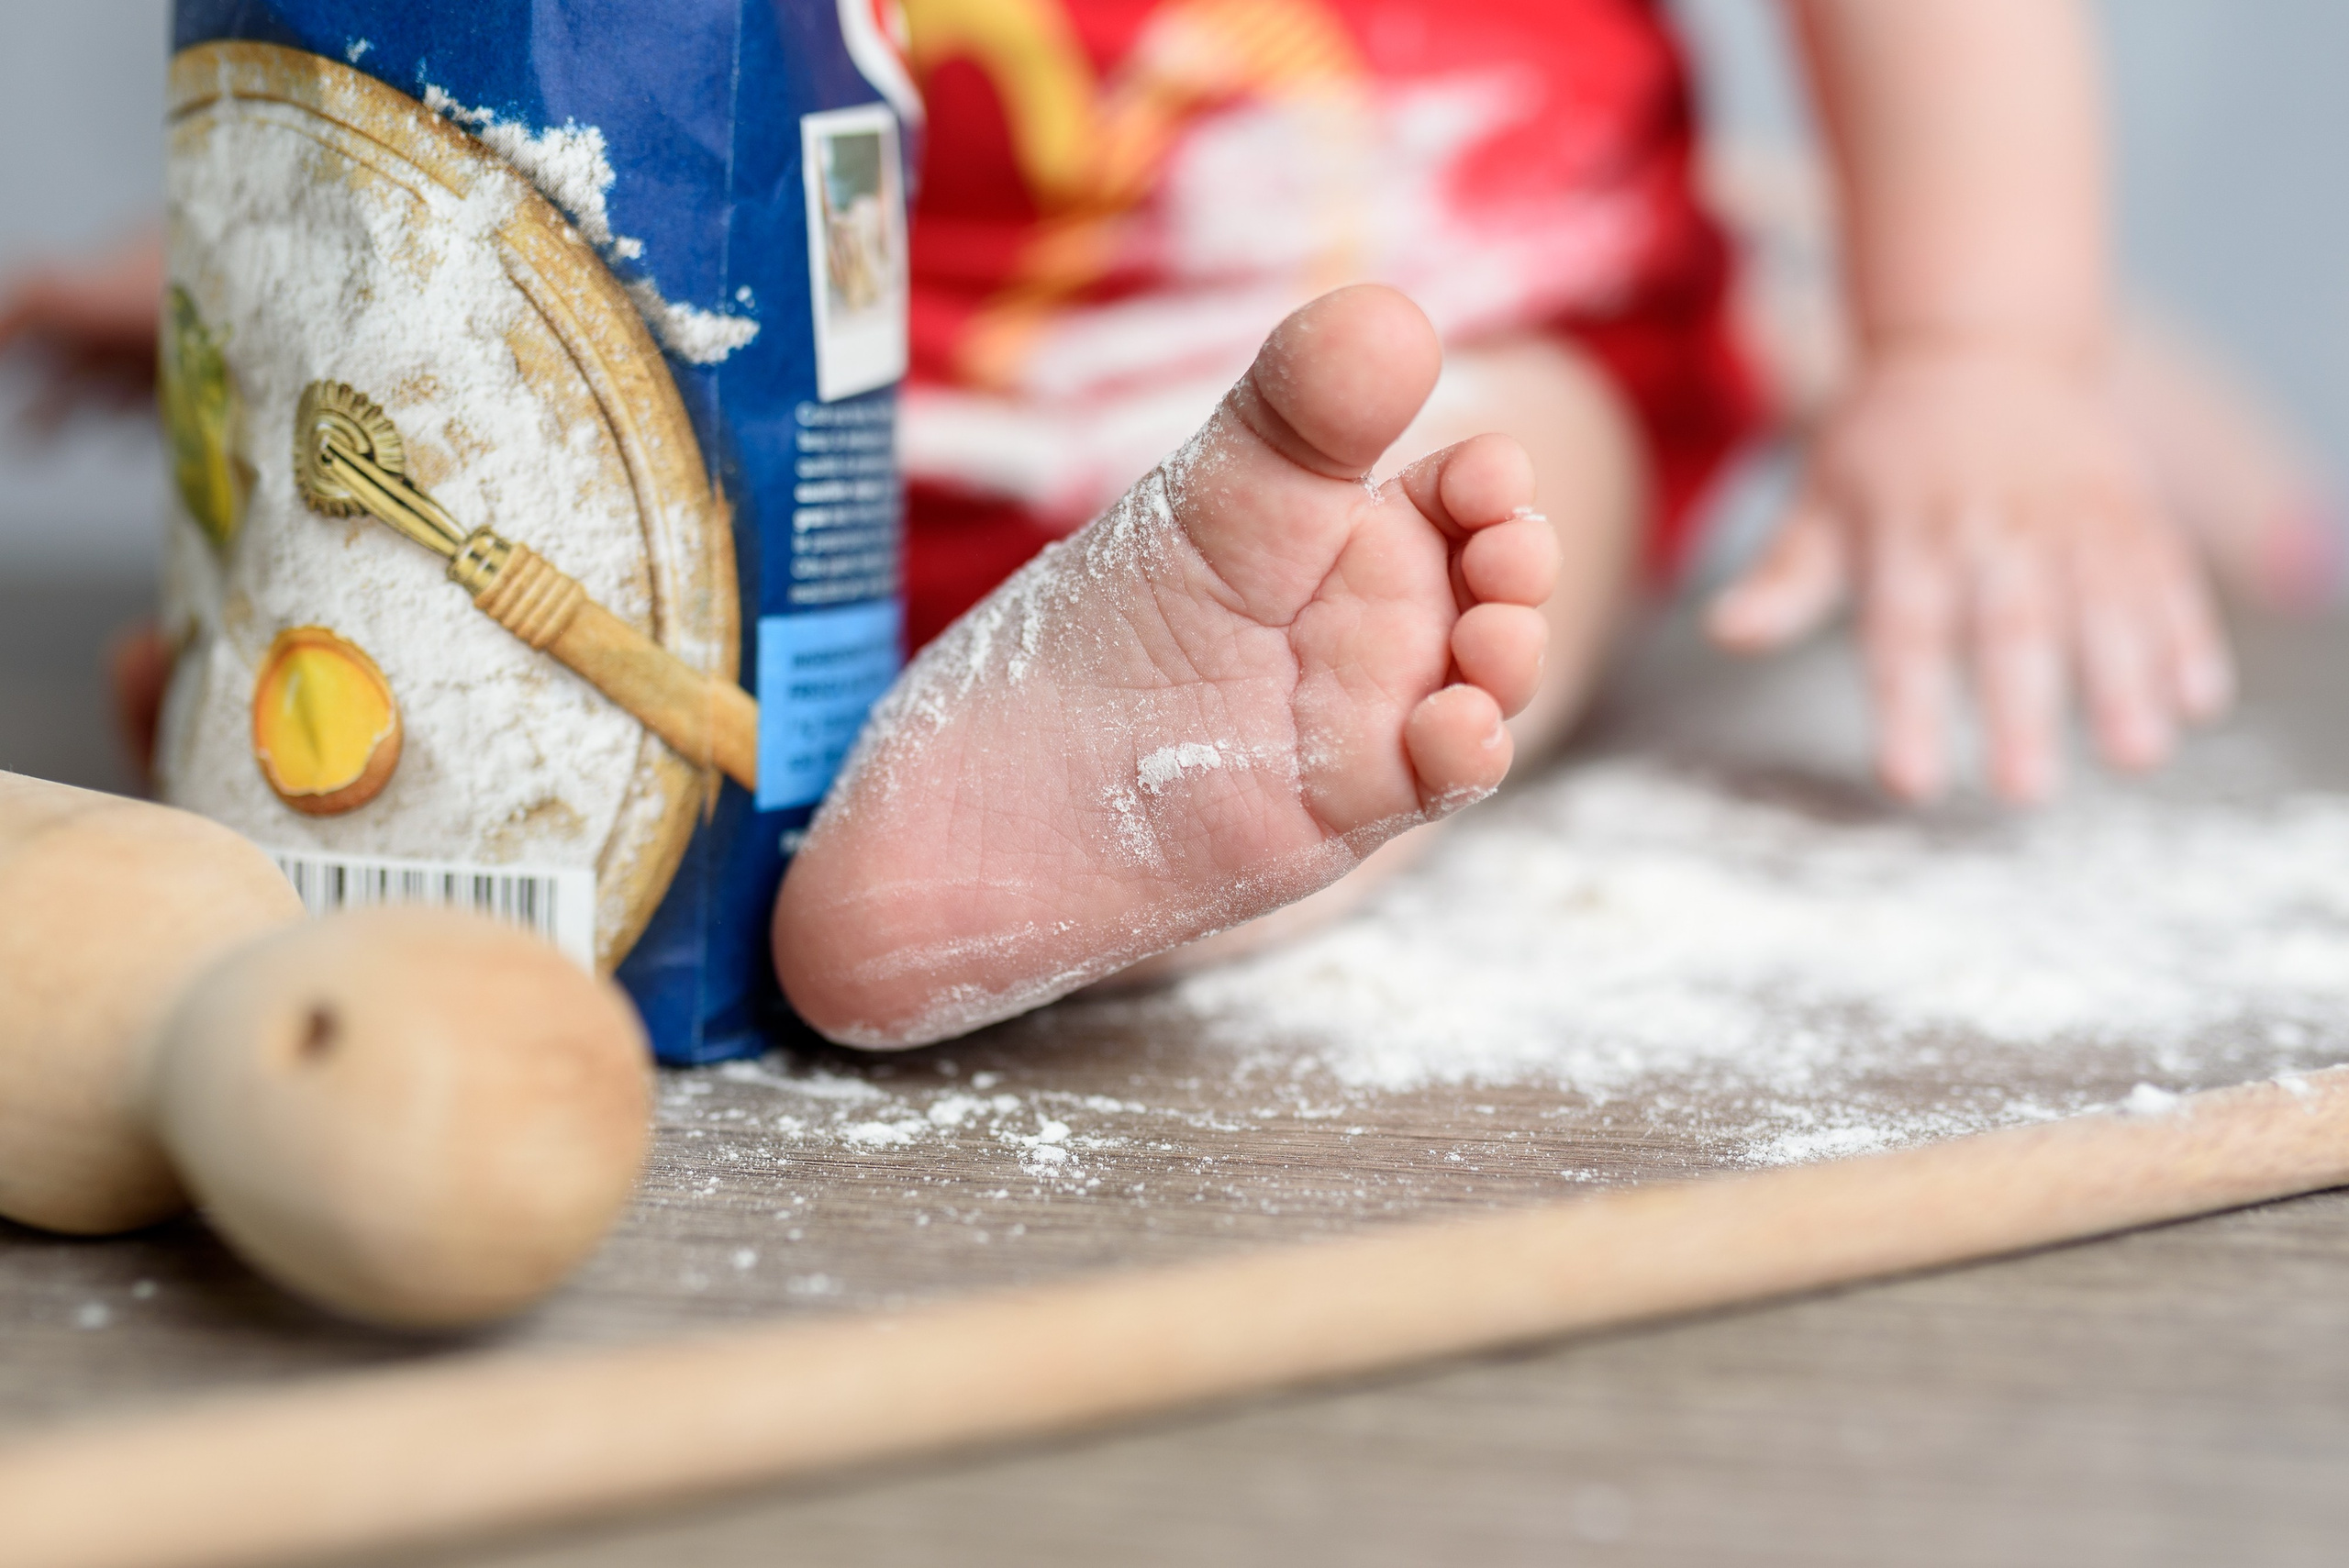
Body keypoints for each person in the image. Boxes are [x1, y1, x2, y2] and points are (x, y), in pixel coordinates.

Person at [0, 0, 2320, 1048]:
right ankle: (994, 752)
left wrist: (1974, 343)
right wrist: (332, 230)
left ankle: (1175, 769)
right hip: (830, 390)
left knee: (1450, 497)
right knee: (548, 500)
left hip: (1445, 310)